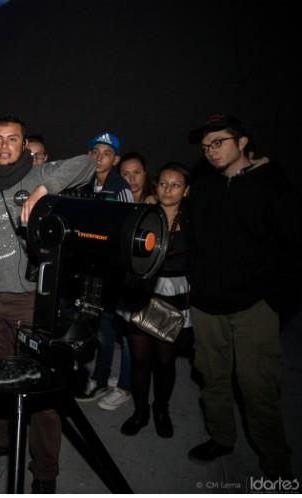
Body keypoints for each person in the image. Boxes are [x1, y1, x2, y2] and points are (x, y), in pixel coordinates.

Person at [0, 115, 95, 493]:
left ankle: (45, 471)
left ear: (24, 143)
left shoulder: (37, 173)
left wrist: (44, 187)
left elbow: (89, 163)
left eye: (12, 139)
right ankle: (4, 438)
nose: (4, 145)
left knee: (41, 390)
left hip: (31, 300)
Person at [187, 114, 300, 479]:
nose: (211, 151)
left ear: (243, 142)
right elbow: (193, 241)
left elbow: (292, 250)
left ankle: (275, 462)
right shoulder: (203, 188)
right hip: (207, 305)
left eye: (219, 142)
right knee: (212, 379)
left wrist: (275, 303)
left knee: (258, 388)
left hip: (254, 305)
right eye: (206, 146)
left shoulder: (274, 186)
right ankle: (222, 437)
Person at [120, 163, 192, 438]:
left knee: (165, 361)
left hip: (173, 294)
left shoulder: (192, 220)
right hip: (142, 293)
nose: (168, 189)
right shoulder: (144, 213)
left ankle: (162, 409)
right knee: (140, 359)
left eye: (175, 185)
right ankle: (140, 411)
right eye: (163, 183)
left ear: (186, 191)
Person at [75, 132, 133, 412]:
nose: (99, 158)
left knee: (105, 329)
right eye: (94, 151)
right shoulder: (83, 185)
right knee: (87, 323)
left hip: (108, 273)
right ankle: (89, 372)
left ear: (116, 159)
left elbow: (125, 234)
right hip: (87, 269)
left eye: (106, 153)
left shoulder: (120, 187)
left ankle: (100, 378)